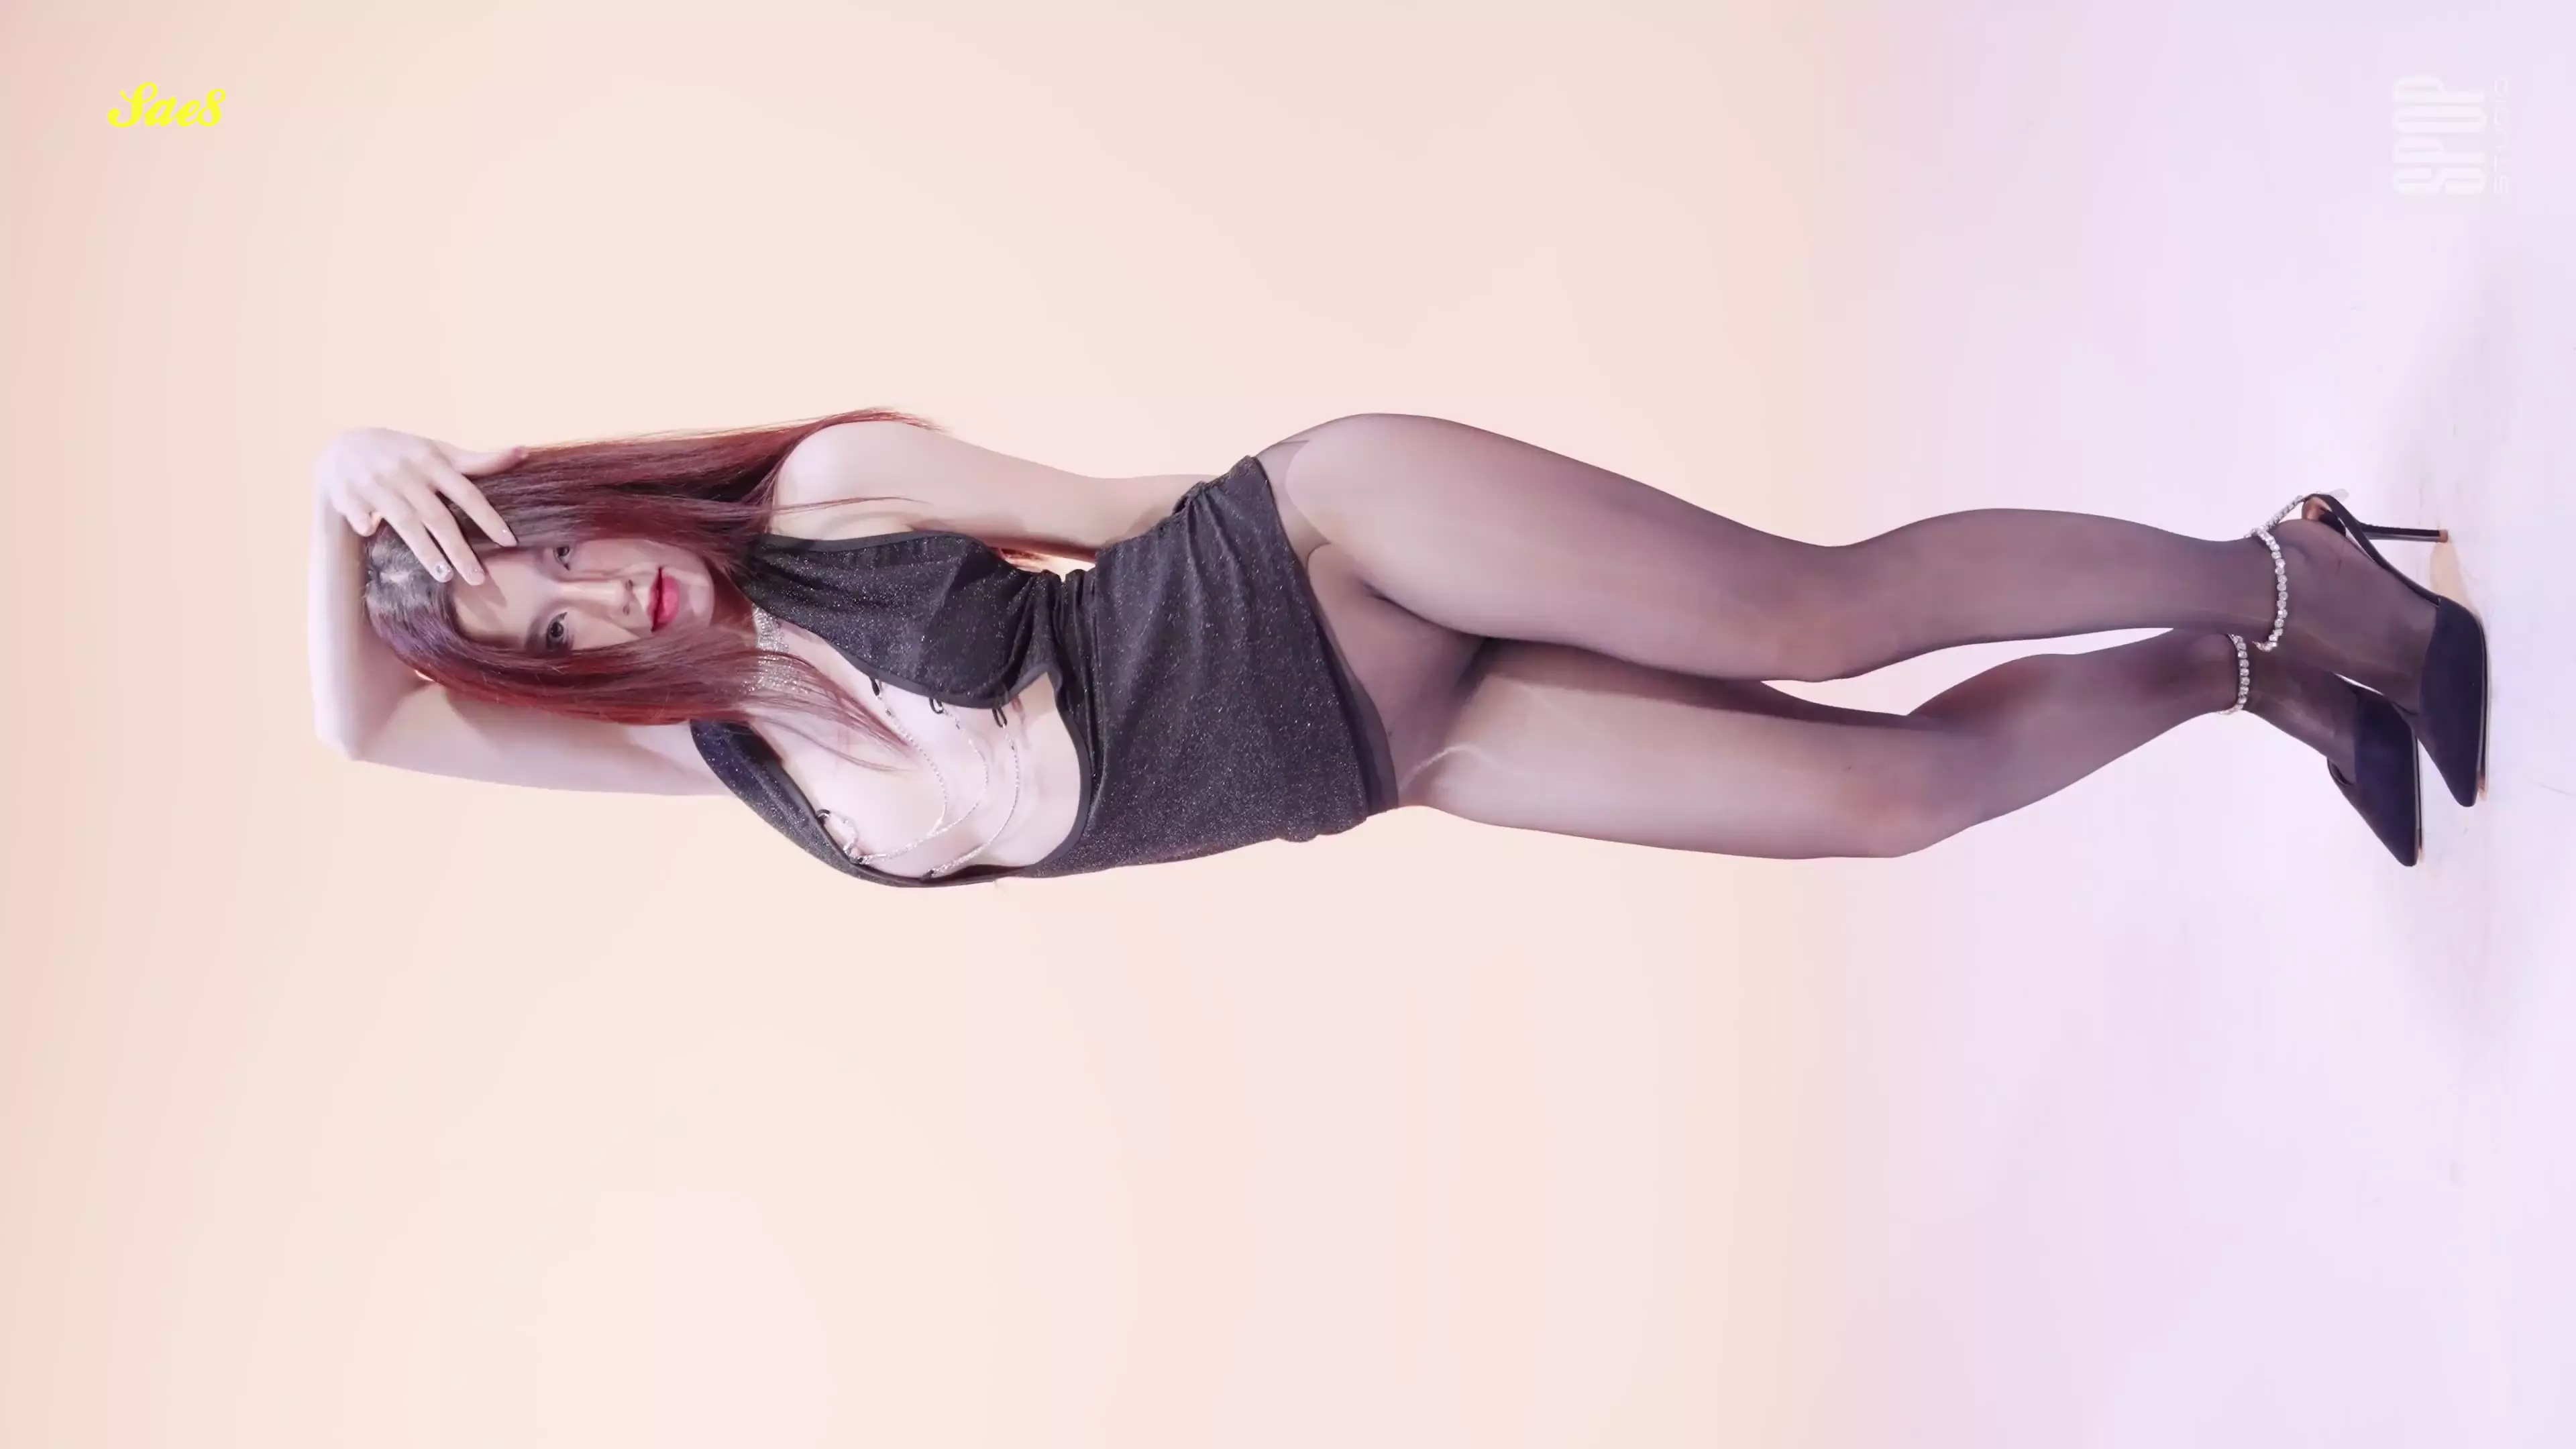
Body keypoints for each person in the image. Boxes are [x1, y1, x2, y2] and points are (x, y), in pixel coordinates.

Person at [307, 409, 2486, 883]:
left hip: (1328, 555)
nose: (603, 602)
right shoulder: (714, 760)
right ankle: (2251, 672)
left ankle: (2301, 577)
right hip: (1392, 758)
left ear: (586, 498)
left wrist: (362, 465)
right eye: (552, 632)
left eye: (557, 556)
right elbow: (371, 725)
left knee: (1823, 611)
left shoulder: (824, 495)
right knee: (1889, 795)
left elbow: (1128, 516)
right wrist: (341, 527)